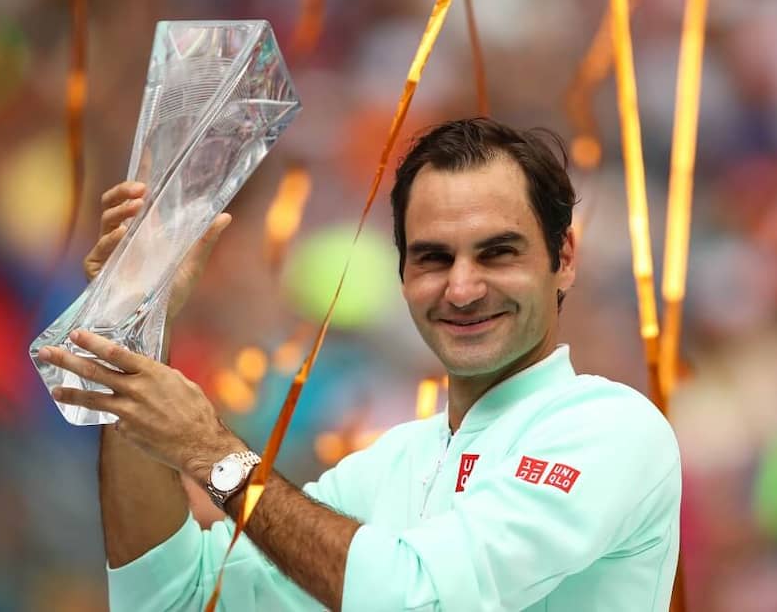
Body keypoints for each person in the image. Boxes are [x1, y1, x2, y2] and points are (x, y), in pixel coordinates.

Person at [37, 118, 681, 611]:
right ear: (402, 269)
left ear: (562, 255)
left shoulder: (612, 429)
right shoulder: (390, 465)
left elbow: (416, 598)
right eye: (433, 257)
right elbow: (176, 597)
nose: (461, 289)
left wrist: (213, 455)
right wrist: (138, 317)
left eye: (497, 253)